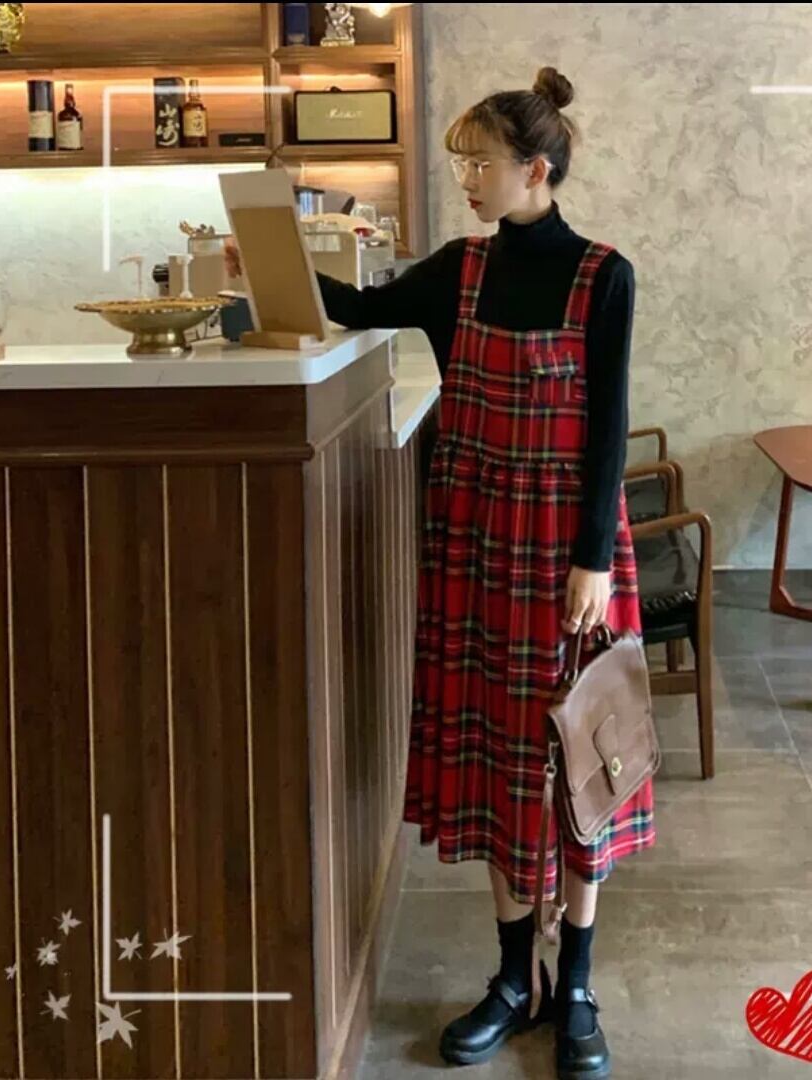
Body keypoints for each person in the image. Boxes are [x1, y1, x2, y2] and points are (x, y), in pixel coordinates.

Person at [228, 65, 654, 1080]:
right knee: (502, 760)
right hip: (476, 547)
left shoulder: (604, 276)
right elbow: (360, 306)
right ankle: (515, 979)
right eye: (463, 162)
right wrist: (267, 265)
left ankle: (576, 983)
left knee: (581, 764)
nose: (467, 179)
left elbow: (607, 428)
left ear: (535, 170)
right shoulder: (459, 270)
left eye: (482, 163)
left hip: (567, 552)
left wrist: (593, 560)